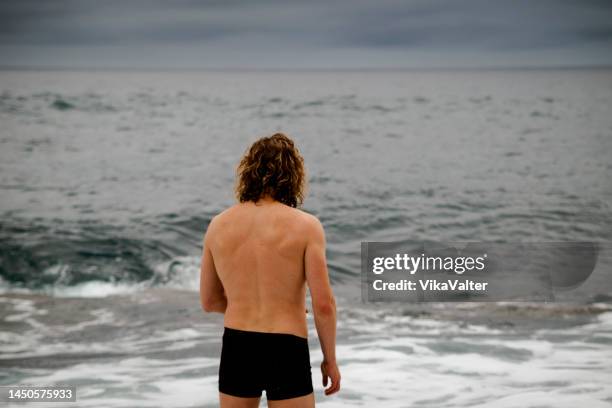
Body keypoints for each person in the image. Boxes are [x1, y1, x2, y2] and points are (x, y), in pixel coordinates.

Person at [200, 132, 340, 408]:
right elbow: (324, 305)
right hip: (286, 347)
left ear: (248, 172)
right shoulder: (306, 226)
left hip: (237, 347)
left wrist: (244, 304)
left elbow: (209, 301)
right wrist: (330, 361)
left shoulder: (218, 225)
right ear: (293, 174)